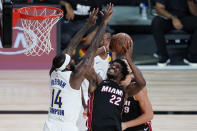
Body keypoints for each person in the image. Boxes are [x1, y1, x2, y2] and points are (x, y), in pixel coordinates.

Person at [43, 3, 114, 131]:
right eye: (70, 61)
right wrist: (103, 23)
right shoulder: (73, 78)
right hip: (65, 127)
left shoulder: (53, 72)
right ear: (68, 67)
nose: (72, 59)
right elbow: (91, 51)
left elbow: (70, 47)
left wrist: (88, 25)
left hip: (49, 124)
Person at [85, 41, 146, 131]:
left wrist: (129, 60)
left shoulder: (125, 91)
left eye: (117, 67)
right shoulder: (100, 82)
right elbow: (88, 61)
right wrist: (105, 49)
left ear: (122, 74)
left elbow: (142, 83)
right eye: (112, 65)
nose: (113, 67)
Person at [77, 32, 113, 131]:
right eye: (101, 39)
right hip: (84, 100)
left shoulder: (111, 60)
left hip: (98, 101)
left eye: (106, 39)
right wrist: (84, 104)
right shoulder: (91, 57)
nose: (103, 41)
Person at [151, 0, 197, 66]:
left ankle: (192, 55)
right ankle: (163, 56)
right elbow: (159, 9)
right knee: (156, 22)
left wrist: (190, 2)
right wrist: (173, 18)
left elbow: (195, 13)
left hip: (186, 18)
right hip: (168, 18)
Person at [120, 61, 153, 131]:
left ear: (130, 69)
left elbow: (149, 115)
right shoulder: (111, 84)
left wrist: (125, 125)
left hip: (138, 127)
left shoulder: (137, 88)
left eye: (125, 65)